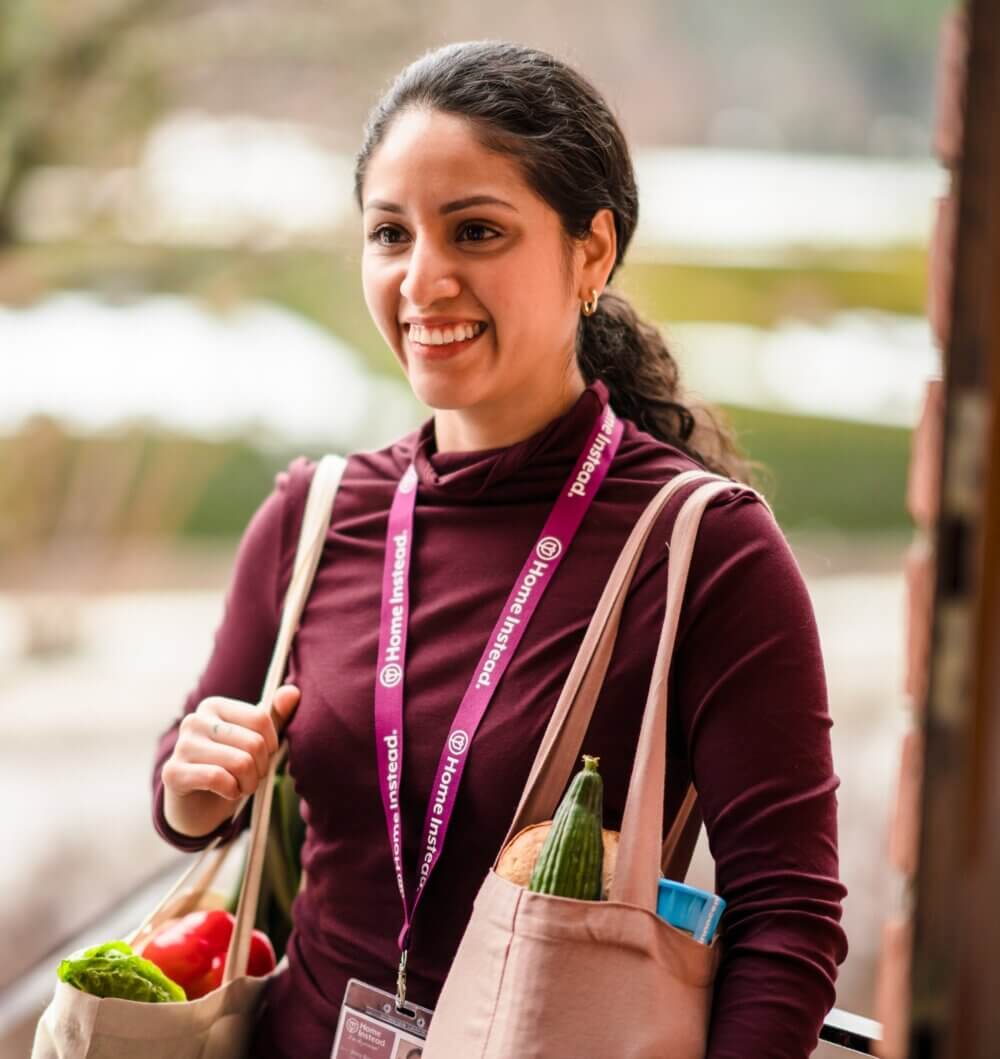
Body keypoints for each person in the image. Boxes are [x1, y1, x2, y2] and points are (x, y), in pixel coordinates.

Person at [152, 40, 848, 1059]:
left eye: (475, 231)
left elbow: (787, 920)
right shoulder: (314, 514)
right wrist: (193, 782)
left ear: (591, 253)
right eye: (391, 234)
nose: (423, 280)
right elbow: (187, 795)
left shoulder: (704, 549)